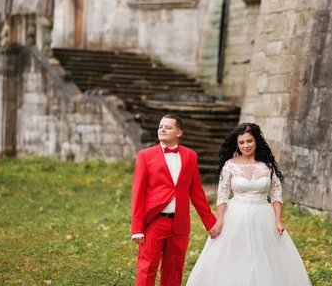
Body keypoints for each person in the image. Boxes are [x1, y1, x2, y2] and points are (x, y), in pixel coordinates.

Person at [186, 122, 312, 286]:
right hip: (236, 216)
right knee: (236, 257)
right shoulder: (230, 165)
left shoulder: (267, 165)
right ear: (237, 144)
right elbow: (222, 197)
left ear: (256, 141)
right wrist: (219, 222)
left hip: (263, 216)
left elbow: (276, 193)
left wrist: (278, 220)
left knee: (265, 258)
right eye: (242, 142)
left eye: (249, 141)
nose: (246, 145)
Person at [131, 114, 220, 286]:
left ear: (179, 133)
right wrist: (137, 228)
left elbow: (196, 193)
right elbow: (138, 193)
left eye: (168, 127)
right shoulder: (145, 155)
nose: (162, 129)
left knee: (175, 269)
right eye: (160, 126)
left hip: (179, 224)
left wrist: (210, 222)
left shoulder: (190, 156)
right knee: (147, 267)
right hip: (154, 221)